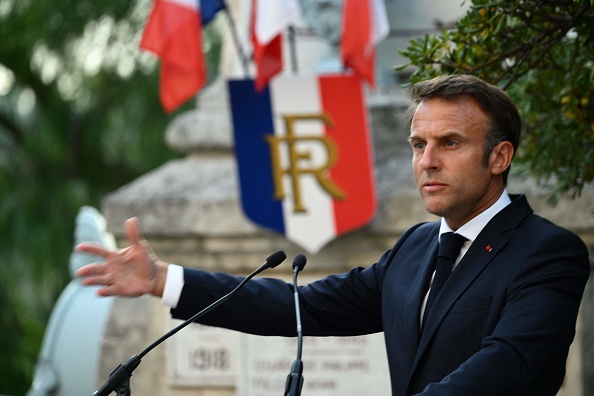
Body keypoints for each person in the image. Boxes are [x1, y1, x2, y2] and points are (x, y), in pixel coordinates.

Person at [76, 74, 590, 396]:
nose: (427, 161)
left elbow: (505, 367)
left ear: (499, 157)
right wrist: (164, 279)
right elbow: (300, 307)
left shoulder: (547, 253)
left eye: (449, 142)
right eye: (418, 144)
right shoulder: (415, 247)